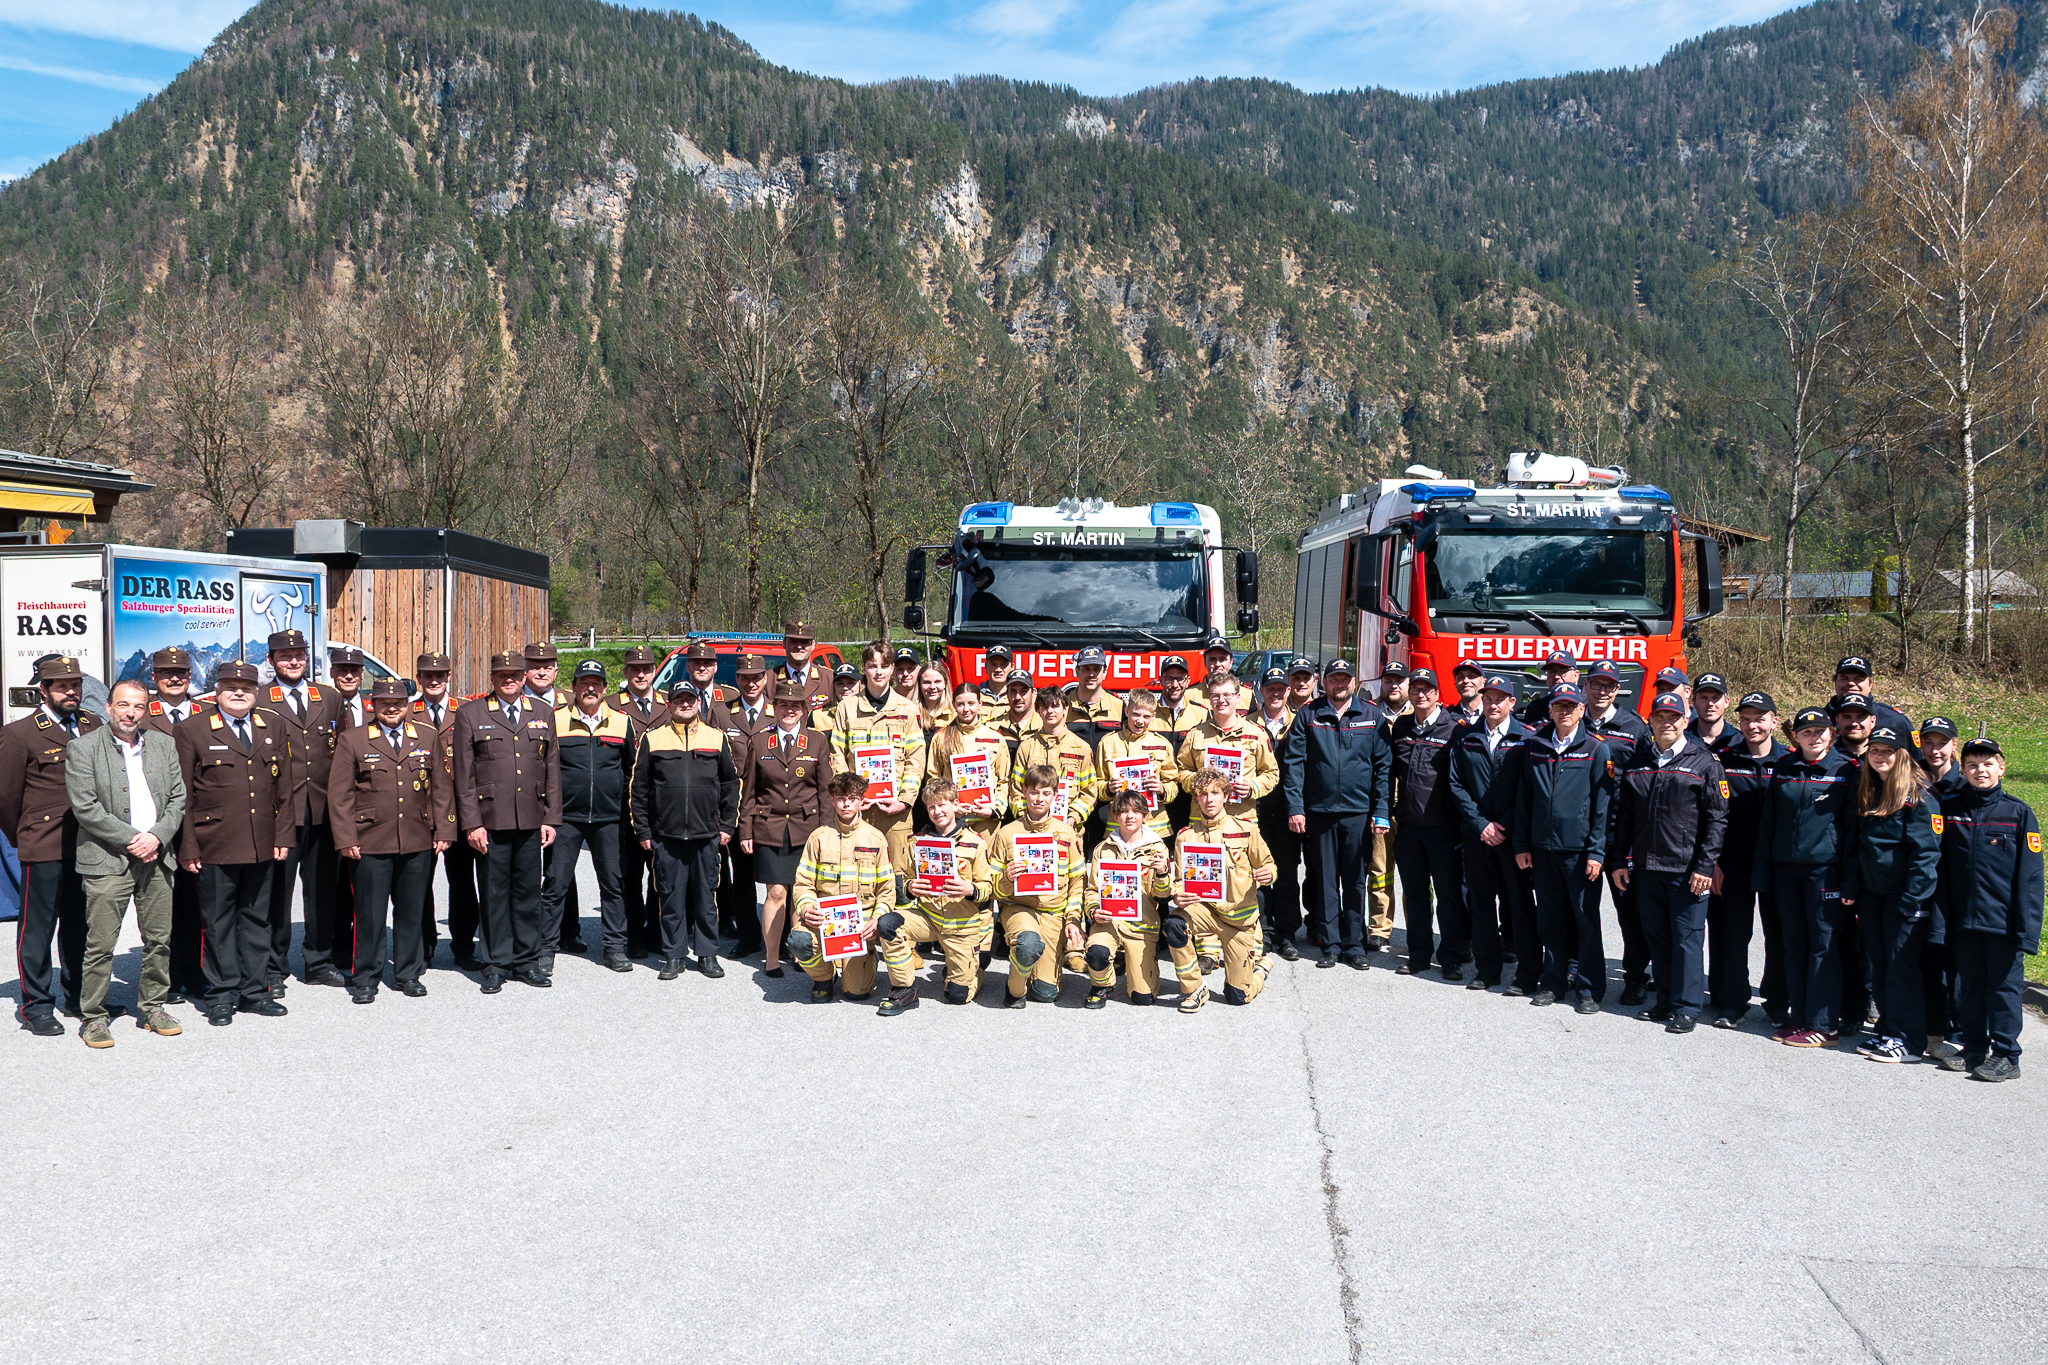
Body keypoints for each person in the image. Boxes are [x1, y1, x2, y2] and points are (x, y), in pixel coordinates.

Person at [66, 678, 187, 1047]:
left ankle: (153, 1007)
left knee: (159, 940)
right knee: (101, 944)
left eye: (138, 706)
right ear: (108, 707)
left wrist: (157, 836)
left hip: (157, 857)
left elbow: (178, 799)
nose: (130, 713)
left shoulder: (163, 744)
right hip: (107, 859)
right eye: (123, 705)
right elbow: (86, 807)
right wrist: (134, 840)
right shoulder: (83, 748)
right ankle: (93, 1016)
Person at [174, 661, 289, 1026]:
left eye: (247, 688)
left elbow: (284, 789)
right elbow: (183, 796)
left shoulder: (272, 725)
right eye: (231, 687)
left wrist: (284, 835)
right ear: (217, 691)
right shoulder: (191, 729)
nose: (239, 692)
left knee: (257, 920)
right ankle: (221, 995)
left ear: (256, 692)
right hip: (215, 844)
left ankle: (255, 992)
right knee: (218, 922)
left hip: (262, 843)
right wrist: (187, 847)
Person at [1610, 692, 1727, 1034]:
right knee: (1658, 938)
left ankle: (1687, 1007)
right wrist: (1619, 859)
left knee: (1687, 940)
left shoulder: (1705, 763)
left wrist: (1705, 866)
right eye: (1660, 717)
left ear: (1685, 721)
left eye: (1673, 718)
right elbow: (1625, 818)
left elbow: (1717, 819)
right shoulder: (1638, 762)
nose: (1666, 723)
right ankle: (1664, 1001)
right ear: (1650, 722)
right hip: (1647, 868)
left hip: (1686, 871)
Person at [329, 678, 451, 1003]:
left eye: (398, 703)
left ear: (407, 705)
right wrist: (346, 837)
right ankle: (366, 978)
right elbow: (340, 795)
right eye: (385, 703)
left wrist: (444, 830)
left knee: (411, 911)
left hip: (417, 838)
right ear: (374, 705)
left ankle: (409, 973)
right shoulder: (353, 739)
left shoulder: (426, 736)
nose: (392, 708)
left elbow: (440, 788)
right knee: (369, 914)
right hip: (370, 841)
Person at [0, 654, 103, 1035]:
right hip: (43, 845)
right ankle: (36, 1005)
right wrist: (24, 837)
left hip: (88, 846)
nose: (71, 691)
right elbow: (6, 798)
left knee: (80, 926)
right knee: (37, 929)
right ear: (43, 690)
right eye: (62, 686)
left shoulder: (93, 725)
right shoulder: (20, 734)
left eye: (75, 685)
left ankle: (78, 997)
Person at [453, 651, 562, 994]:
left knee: (528, 894)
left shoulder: (542, 713)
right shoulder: (471, 713)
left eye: (515, 674)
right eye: (503, 674)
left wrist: (551, 817)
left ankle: (527, 962)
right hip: (490, 821)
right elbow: (463, 776)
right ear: (493, 677)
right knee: (494, 895)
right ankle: (496, 964)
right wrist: (472, 824)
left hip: (531, 818)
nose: (509, 679)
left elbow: (552, 769)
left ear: (524, 676)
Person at [1935, 737, 2041, 1081]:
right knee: (1969, 986)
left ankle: (2007, 1055)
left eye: (1987, 764)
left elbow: (2030, 878)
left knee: (2003, 989)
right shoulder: (1950, 809)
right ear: (1963, 770)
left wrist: (2027, 930)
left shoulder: (2018, 813)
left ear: (2001, 768)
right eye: (1972, 765)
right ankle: (1974, 1047)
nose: (1980, 770)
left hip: (2003, 922)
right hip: (1964, 920)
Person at [1838, 724, 1942, 1063]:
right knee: (1880, 964)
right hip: (1872, 894)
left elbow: (1926, 854)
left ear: (1902, 756)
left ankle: (1908, 1040)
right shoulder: (1869, 790)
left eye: (1888, 751)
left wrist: (1913, 899)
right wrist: (1853, 885)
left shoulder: (1918, 796)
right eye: (1875, 751)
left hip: (1904, 897)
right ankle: (1888, 1029)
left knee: (1901, 966)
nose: (1880, 756)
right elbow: (1857, 844)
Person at [1752, 707, 1856, 1048]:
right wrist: (1762, 871)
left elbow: (1853, 831)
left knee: (1822, 946)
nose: (1814, 737)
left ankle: (1824, 1026)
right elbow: (1768, 822)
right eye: (1807, 732)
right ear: (1795, 736)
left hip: (1825, 872)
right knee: (1793, 945)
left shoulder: (1846, 770)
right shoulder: (1784, 767)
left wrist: (1850, 879)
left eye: (1821, 731)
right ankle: (1799, 1018)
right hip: (1786, 871)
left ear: (1832, 733)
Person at [1281, 658, 1391, 971]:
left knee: (1355, 881)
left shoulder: (1371, 715)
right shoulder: (1309, 714)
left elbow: (1384, 767)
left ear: (1354, 682)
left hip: (1359, 812)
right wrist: (1295, 807)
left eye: (1345, 679)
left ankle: (1355, 946)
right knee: (1326, 881)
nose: (1339, 684)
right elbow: (1294, 765)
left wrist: (1382, 810)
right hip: (1319, 812)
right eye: (1334, 679)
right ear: (1324, 682)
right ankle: (1330, 945)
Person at [1514, 682, 1613, 1015]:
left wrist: (1596, 852)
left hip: (1579, 853)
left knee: (1586, 921)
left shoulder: (1596, 749)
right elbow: (1524, 800)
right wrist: (1522, 844)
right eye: (1559, 706)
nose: (1565, 712)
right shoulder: (1536, 746)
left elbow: (1602, 808)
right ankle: (1553, 983)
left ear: (1581, 710)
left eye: (1571, 706)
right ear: (1551, 710)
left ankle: (1589, 989)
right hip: (1543, 850)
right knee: (1550, 920)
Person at [631, 683, 740, 982]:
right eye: (678, 699)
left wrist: (727, 825)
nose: (685, 704)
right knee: (670, 900)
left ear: (698, 702)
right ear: (668, 705)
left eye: (690, 699)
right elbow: (639, 789)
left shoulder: (715, 737)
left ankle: (707, 955)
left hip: (706, 836)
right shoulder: (653, 739)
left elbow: (730, 784)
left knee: (706, 900)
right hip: (667, 837)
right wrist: (643, 830)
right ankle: (674, 956)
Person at [256, 629, 345, 992]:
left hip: (323, 809)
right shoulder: (260, 699)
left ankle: (319, 961)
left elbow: (343, 753)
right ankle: (274, 967)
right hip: (281, 812)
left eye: (299, 655)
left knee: (323, 889)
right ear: (271, 660)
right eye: (285, 656)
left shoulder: (330, 697)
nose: (293, 661)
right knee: (277, 892)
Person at [542, 661, 634, 973]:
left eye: (596, 683)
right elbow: (546, 769)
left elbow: (630, 769)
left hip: (608, 819)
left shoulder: (621, 722)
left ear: (605, 688)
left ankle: (615, 949)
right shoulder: (556, 720)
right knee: (556, 884)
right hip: (567, 818)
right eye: (584, 682)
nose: (590, 688)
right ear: (574, 687)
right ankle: (545, 950)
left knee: (612, 885)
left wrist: (616, 798)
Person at [877, 776, 993, 1012]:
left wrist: (970, 890)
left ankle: (975, 969)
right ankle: (904, 989)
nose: (937, 811)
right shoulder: (917, 842)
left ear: (955, 805)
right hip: (928, 918)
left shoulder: (975, 843)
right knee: (888, 924)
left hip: (962, 924)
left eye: (942, 805)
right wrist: (910, 887)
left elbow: (988, 888)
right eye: (931, 807)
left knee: (958, 995)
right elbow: (907, 879)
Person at [1448, 672, 1533, 993]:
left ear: (1512, 702)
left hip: (1513, 837)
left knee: (1519, 904)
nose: (1493, 704)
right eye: (1488, 698)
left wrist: (1504, 825)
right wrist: (1481, 823)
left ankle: (1527, 974)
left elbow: (1529, 788)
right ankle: (1487, 971)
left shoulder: (1526, 738)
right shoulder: (1466, 736)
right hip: (1476, 835)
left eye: (1499, 699)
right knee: (1481, 903)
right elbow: (1456, 783)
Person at [738, 681, 830, 977]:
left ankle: (799, 953)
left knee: (800, 893)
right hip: (770, 828)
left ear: (803, 710)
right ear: (774, 708)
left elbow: (825, 792)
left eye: (795, 706)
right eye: (783, 705)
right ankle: (772, 957)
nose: (789, 710)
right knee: (777, 891)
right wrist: (745, 830)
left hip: (807, 829)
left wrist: (827, 833)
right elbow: (749, 792)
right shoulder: (760, 741)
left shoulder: (816, 741)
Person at [1170, 767, 1278, 1012]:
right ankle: (1194, 988)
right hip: (1205, 913)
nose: (1209, 799)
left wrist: (1268, 873)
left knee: (1237, 996)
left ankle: (1260, 969)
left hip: (1239, 921)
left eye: (1215, 793)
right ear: (1196, 799)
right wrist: (1177, 893)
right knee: (1174, 923)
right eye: (1203, 794)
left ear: (1226, 796)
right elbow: (1178, 880)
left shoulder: (1246, 830)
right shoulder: (1186, 837)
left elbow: (1269, 864)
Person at [1710, 691, 1788, 1029]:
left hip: (1775, 863)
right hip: (1733, 861)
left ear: (1774, 721)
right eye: (1745, 719)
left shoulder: (1789, 762)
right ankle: (1732, 1001)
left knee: (1778, 934)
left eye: (1760, 719)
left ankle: (1777, 1002)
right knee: (1733, 933)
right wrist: (1713, 861)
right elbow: (1711, 813)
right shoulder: (1723, 760)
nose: (1752, 725)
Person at [1389, 667, 1471, 979]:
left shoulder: (1454, 729)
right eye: (1416, 689)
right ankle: (1419, 955)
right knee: (1416, 894)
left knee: (1449, 896)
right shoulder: (1402, 726)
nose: (1420, 694)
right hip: (1409, 827)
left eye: (1427, 689)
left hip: (1443, 829)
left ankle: (1451, 957)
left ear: (1437, 694)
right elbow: (1390, 772)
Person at [142, 647, 212, 1004]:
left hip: (198, 822)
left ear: (190, 676)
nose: (174, 679)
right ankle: (165, 977)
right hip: (156, 823)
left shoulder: (208, 714)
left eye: (181, 673)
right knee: (161, 904)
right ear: (153, 677)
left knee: (196, 904)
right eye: (166, 674)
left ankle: (197, 973)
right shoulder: (142, 716)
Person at [986, 763, 1086, 1007]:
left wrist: (1073, 919)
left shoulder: (1066, 834)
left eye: (1046, 793)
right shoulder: (1006, 834)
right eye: (1034, 792)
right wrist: (1007, 879)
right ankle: (1014, 990)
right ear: (1024, 792)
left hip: (1053, 914)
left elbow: (1077, 882)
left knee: (1045, 993)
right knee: (1028, 945)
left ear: (1055, 795)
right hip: (1019, 909)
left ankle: (1033, 965)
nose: (1039, 798)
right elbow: (991, 888)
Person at [790, 770, 892, 1003]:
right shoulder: (818, 837)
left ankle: (869, 957)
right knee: (799, 942)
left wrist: (877, 919)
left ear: (861, 800)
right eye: (841, 799)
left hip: (861, 925)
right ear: (832, 800)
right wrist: (806, 908)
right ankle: (824, 977)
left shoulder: (876, 839)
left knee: (856, 993)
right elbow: (803, 883)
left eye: (852, 799)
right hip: (824, 921)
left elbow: (886, 890)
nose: (846, 804)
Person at [1585, 660, 1654, 1004]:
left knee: (1629, 914)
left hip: (1619, 835)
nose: (1602, 691)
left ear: (1617, 690)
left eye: (1608, 685)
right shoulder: (1572, 720)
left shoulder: (1635, 727)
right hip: (1582, 835)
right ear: (1585, 686)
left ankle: (1636, 977)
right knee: (1580, 911)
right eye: (1596, 684)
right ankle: (1577, 969)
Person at [831, 642, 926, 870]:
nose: (878, 672)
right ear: (864, 668)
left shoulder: (907, 709)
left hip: (895, 812)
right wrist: (850, 797)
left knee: (898, 875)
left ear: (892, 669)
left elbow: (916, 759)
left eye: (884, 666)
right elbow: (837, 755)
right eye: (873, 666)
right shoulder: (847, 707)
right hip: (857, 810)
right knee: (856, 872)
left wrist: (904, 800)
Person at [1077, 788, 1175, 1007]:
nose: (1130, 816)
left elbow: (1163, 896)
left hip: (1142, 926)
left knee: (1143, 998)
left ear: (1145, 816)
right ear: (1115, 815)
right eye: (1123, 811)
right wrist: (1094, 911)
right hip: (1109, 923)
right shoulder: (1103, 849)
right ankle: (1102, 984)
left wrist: (1162, 873)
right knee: (1096, 953)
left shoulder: (1158, 848)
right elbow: (1092, 890)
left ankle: (1142, 965)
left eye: (1136, 811)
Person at [410, 652, 474, 971]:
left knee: (462, 882)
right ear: (419, 679)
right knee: (420, 882)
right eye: (427, 675)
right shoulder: (407, 712)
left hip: (458, 810)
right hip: (420, 811)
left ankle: (464, 946)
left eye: (440, 675)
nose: (433, 680)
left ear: (449, 677)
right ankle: (424, 946)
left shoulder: (466, 710)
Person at [604, 645, 665, 960]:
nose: (641, 674)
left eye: (646, 669)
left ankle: (655, 932)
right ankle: (635, 935)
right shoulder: (611, 706)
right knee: (629, 876)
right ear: (625, 672)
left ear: (654, 671)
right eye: (635, 669)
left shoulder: (668, 703)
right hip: (625, 804)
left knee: (659, 875)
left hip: (662, 806)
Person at [718, 654, 776, 956]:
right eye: (744, 678)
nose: (750, 683)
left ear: (765, 679)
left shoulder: (779, 712)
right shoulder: (721, 713)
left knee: (777, 878)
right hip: (737, 806)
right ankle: (748, 937)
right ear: (737, 680)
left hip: (772, 807)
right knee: (741, 877)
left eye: (756, 678)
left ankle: (780, 938)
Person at [1250, 667, 1306, 958]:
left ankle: (1286, 934)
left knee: (1286, 874)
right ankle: (1262, 931)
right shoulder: (1247, 724)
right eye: (1270, 688)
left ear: (1288, 691)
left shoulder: (1301, 722)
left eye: (1280, 688)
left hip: (1287, 810)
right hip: (1255, 811)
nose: (1275, 693)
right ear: (1261, 690)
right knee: (1258, 875)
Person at [927, 679, 1012, 838]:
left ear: (980, 704)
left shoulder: (995, 738)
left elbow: (1004, 781)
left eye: (971, 703)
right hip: (952, 820)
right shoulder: (940, 738)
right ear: (954, 705)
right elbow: (933, 779)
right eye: (960, 704)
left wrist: (994, 811)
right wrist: (950, 808)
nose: (966, 709)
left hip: (986, 822)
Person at [1367, 660, 1411, 950]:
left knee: (1416, 874)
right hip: (1380, 805)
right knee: (1379, 871)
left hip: (1412, 808)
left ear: (1408, 684)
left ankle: (1417, 927)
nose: (1393, 685)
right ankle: (1379, 929)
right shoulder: (1369, 714)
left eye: (1399, 680)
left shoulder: (1421, 714)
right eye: (1388, 680)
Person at [1013, 686, 1098, 830]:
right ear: (1038, 710)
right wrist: (1026, 818)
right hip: (1031, 830)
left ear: (1065, 709)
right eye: (1045, 707)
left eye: (1055, 706)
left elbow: (1089, 792)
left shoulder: (1081, 748)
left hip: (1069, 829)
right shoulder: (1026, 747)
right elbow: (1016, 790)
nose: (1050, 711)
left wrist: (1073, 818)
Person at [1064, 646, 1123, 748]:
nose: (1091, 674)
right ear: (1077, 671)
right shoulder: (1063, 706)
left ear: (1104, 673)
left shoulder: (1120, 707)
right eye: (1086, 669)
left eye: (1096, 669)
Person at [777, 619, 833, 704]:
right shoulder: (769, 680)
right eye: (793, 641)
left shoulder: (828, 679)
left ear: (813, 645)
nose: (799, 647)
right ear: (784, 643)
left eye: (804, 642)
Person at [1520, 650, 1579, 726]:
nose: (1556, 676)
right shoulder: (1536, 708)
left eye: (1563, 671)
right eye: (1551, 672)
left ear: (1576, 675)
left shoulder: (1588, 705)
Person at [991, 669, 1040, 757]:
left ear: (1033, 693)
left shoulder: (1044, 727)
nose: (1017, 697)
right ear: (1007, 694)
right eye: (1013, 691)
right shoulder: (993, 729)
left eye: (1023, 691)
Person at [1689, 674, 1734, 751]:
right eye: (1704, 698)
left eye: (1715, 698)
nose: (1710, 703)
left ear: (1726, 702)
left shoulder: (1740, 741)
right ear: (1694, 702)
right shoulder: (1682, 740)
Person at [330, 646, 370, 729]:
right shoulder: (323, 706)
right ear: (331, 672)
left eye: (354, 671)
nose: (349, 676)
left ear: (362, 674)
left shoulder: (375, 706)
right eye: (342, 671)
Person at [913, 663, 953, 741]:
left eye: (937, 681)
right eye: (927, 682)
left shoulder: (955, 714)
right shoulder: (912, 713)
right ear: (919, 684)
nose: (932, 687)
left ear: (945, 683)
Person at [522, 642, 563, 711]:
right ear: (524, 671)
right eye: (535, 668)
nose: (542, 673)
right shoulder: (512, 700)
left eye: (547, 668)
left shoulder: (571, 701)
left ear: (555, 672)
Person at [1448, 658, 1485, 724]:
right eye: (1460, 677)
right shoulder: (1447, 717)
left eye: (1472, 676)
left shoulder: (1495, 715)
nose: (1465, 681)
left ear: (1483, 682)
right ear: (1455, 683)